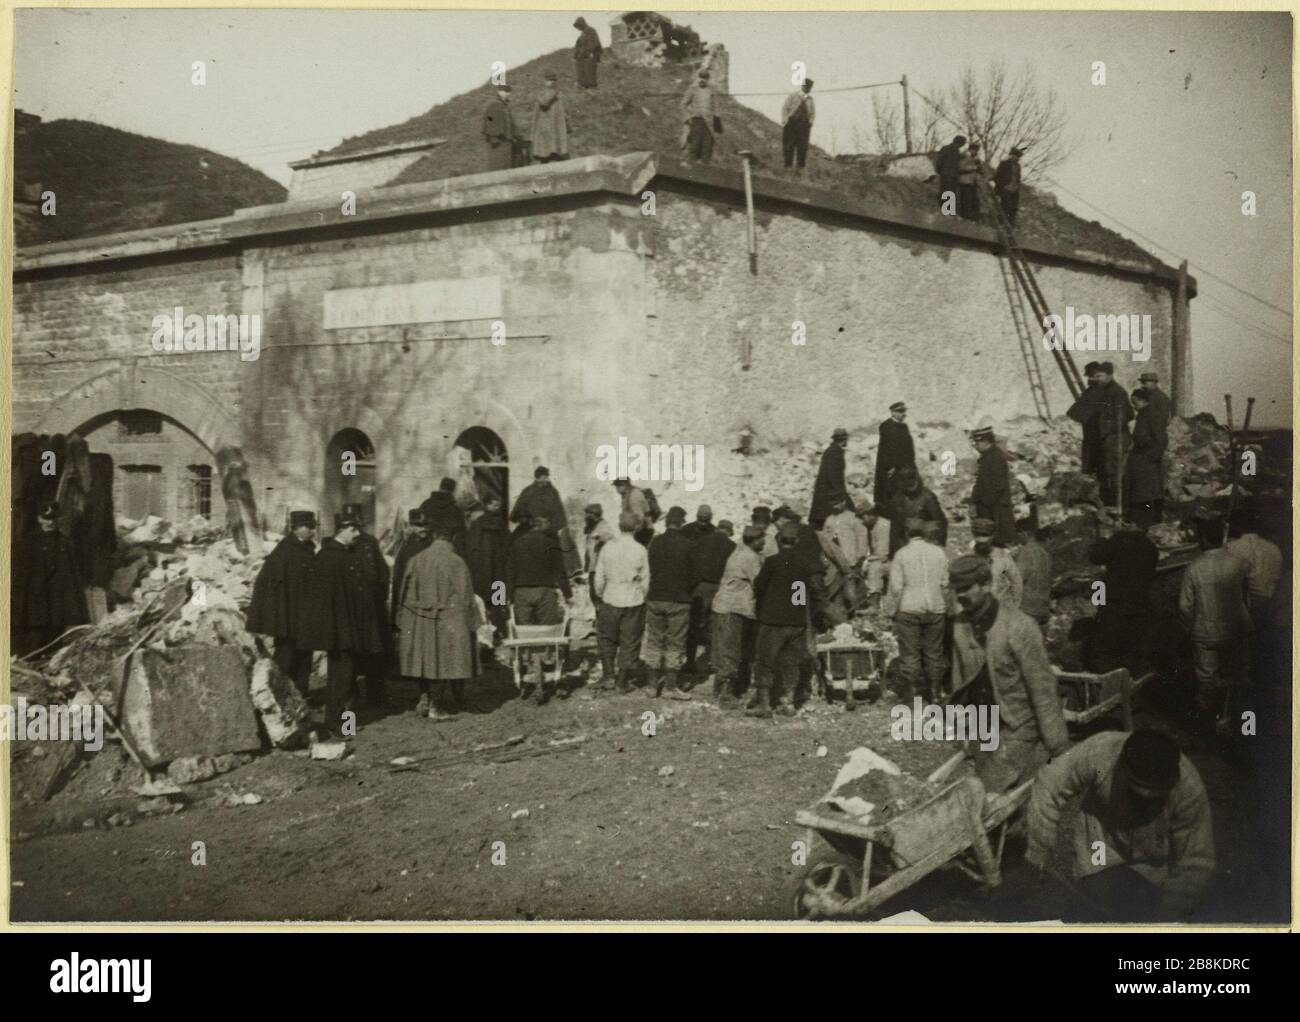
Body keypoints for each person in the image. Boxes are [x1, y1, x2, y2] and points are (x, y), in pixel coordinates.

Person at [1027, 729, 1215, 922]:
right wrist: (1038, 850)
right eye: (1138, 794)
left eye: (1154, 798)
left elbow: (1196, 862)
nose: (1144, 804)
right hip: (1101, 845)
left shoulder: (1189, 790)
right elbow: (1049, 784)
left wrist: (1166, 917)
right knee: (1090, 909)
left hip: (1152, 860)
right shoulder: (1101, 753)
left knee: (1147, 912)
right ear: (1122, 770)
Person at [948, 554, 1070, 791]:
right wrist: (960, 723)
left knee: (993, 786)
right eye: (956, 589)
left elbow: (1042, 688)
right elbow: (959, 677)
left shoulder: (1019, 626)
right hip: (982, 721)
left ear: (985, 585)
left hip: (1017, 722)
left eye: (966, 588)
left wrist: (1058, 747)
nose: (960, 595)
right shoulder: (960, 625)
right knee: (985, 787)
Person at [299, 510, 388, 740]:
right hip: (340, 631)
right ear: (343, 530)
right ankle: (338, 725)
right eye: (353, 530)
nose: (357, 534)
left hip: (348, 629)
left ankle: (340, 723)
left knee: (345, 678)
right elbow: (325, 601)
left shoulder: (342, 554)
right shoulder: (331, 557)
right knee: (342, 679)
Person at [396, 520, 483, 721]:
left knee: (424, 659)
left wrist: (403, 619)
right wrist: (473, 622)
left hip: (419, 618)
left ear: (434, 536)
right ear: (453, 538)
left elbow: (404, 593)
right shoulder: (456, 561)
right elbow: (466, 595)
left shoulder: (416, 559)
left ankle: (424, 697)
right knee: (444, 660)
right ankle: (436, 705)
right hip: (447, 618)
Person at [1179, 513, 1250, 730]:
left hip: (1205, 631)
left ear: (1204, 540)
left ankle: (1208, 722)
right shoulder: (1238, 564)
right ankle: (1235, 720)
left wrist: (1188, 629)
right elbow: (1247, 595)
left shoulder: (1194, 567)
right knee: (1236, 675)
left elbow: (1185, 606)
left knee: (1207, 679)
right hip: (1235, 629)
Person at [748, 521, 822, 718]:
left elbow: (759, 587)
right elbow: (809, 591)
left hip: (773, 621)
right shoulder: (804, 563)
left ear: (779, 541)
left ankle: (764, 705)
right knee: (791, 662)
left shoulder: (772, 562)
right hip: (796, 621)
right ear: (796, 541)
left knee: (764, 661)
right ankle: (788, 702)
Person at [246, 509, 318, 696]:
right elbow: (267, 583)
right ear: (296, 528)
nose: (312, 530)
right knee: (286, 657)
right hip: (288, 616)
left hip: (303, 614)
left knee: (304, 655)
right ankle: (279, 693)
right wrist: (278, 615)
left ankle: (301, 692)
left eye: (313, 526)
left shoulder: (308, 548)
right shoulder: (285, 550)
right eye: (308, 527)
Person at [506, 510, 572, 702]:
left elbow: (507, 572)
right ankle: (545, 666)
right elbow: (560, 572)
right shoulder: (551, 543)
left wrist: (501, 600)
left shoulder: (517, 543)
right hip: (544, 592)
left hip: (521, 593)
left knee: (525, 634)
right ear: (541, 524)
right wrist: (568, 595)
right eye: (548, 524)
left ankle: (528, 668)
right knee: (546, 633)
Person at [883, 518, 950, 702]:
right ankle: (936, 694)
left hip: (909, 608)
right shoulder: (939, 553)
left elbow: (896, 587)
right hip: (936, 608)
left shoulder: (901, 555)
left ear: (906, 533)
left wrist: (890, 611)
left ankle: (912, 696)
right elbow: (945, 582)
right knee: (934, 653)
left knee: (910, 654)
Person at [14, 501, 89, 657]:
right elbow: (23, 578)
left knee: (55, 636)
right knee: (34, 637)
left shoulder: (64, 542)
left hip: (56, 601)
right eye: (46, 518)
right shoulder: (29, 544)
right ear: (39, 519)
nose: (50, 522)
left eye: (53, 518)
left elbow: (72, 576)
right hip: (36, 601)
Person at [1085, 515, 1158, 673]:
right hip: (1139, 604)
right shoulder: (1151, 547)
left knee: (1105, 650)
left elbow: (1096, 556)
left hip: (1116, 603)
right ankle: (1128, 685)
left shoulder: (1121, 539)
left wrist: (1103, 538)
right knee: (1130, 649)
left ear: (1130, 523)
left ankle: (1107, 686)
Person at [642, 506, 697, 699]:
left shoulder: (655, 542)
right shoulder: (688, 544)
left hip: (656, 597)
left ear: (666, 522)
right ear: (681, 523)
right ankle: (670, 687)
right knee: (675, 642)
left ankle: (651, 686)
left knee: (654, 640)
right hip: (679, 599)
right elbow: (694, 574)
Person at [593, 511, 649, 692]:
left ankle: (608, 676)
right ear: (635, 527)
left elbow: (599, 577)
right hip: (633, 599)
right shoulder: (640, 550)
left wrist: (601, 595)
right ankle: (622, 682)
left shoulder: (608, 548)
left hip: (610, 597)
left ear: (619, 526)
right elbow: (646, 580)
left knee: (606, 637)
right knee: (630, 640)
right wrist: (640, 595)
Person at [342, 502, 391, 707]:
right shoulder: (336, 545)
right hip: (349, 611)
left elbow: (383, 571)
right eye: (349, 523)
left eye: (356, 522)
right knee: (350, 656)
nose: (355, 527)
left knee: (375, 654)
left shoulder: (370, 542)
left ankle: (376, 696)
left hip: (372, 608)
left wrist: (379, 595)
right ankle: (349, 697)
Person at [711, 524, 765, 707]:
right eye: (762, 539)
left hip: (726, 606)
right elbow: (759, 583)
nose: (764, 542)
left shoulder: (739, 551)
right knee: (731, 651)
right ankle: (726, 696)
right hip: (733, 609)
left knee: (726, 649)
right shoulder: (750, 557)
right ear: (755, 540)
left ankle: (719, 690)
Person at [1069, 362, 1133, 508]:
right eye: (1094, 377)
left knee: (1115, 474)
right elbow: (1079, 412)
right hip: (1101, 439)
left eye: (1099, 376)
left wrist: (1108, 425)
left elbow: (1126, 415)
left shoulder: (1117, 392)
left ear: (1109, 375)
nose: (1095, 379)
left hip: (1114, 439)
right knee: (1103, 472)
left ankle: (1119, 506)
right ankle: (1107, 504)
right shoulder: (1097, 391)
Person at [684, 506, 735, 675]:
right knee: (715, 627)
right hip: (720, 588)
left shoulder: (703, 541)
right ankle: (713, 663)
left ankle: (690, 662)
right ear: (729, 532)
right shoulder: (732, 546)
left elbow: (691, 562)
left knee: (694, 624)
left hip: (700, 587)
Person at [511, 466, 578, 575]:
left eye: (547, 477)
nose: (546, 480)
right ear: (537, 477)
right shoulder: (528, 491)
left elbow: (559, 512)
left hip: (549, 530)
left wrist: (552, 526)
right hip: (530, 528)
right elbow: (517, 513)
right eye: (544, 477)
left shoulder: (552, 492)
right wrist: (529, 521)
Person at [1225, 507, 1283, 630]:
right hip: (1275, 611)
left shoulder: (1231, 548)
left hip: (1249, 614)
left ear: (1236, 526)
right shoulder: (1274, 548)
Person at [465, 495, 510, 641]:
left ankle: (484, 637)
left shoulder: (477, 524)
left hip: (482, 572)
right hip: (498, 573)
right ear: (486, 505)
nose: (498, 509)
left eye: (498, 506)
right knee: (498, 602)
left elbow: (472, 549)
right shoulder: (500, 525)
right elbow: (507, 547)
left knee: (484, 603)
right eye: (495, 505)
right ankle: (498, 632)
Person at [967, 423, 1016, 548]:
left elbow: (997, 487)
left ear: (985, 442)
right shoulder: (989, 456)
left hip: (995, 510)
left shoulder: (995, 458)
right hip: (991, 509)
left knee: (997, 544)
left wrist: (983, 505)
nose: (975, 446)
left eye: (976, 443)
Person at [1126, 388, 1167, 528]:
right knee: (1143, 491)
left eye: (1135, 402)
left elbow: (1161, 439)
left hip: (1147, 460)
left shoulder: (1152, 415)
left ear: (1144, 401)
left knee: (1148, 492)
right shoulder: (1143, 414)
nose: (1133, 405)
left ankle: (1150, 520)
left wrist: (1151, 457)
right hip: (1141, 458)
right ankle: (1145, 519)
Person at [887, 465, 947, 555]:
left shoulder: (928, 497)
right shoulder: (897, 499)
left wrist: (936, 544)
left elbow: (940, 522)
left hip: (926, 540)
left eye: (911, 479)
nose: (909, 484)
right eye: (905, 480)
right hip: (906, 542)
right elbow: (895, 527)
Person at [392, 508, 432, 628]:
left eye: (426, 525)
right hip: (412, 600)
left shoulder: (434, 545)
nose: (423, 528)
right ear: (411, 526)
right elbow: (398, 581)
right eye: (419, 525)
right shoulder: (406, 550)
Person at [972, 517, 1023, 610]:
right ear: (974, 535)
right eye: (978, 535)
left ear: (992, 536)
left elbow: (1017, 583)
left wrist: (1013, 608)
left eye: (985, 535)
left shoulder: (1003, 556)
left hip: (999, 610)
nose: (981, 539)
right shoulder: (968, 557)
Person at [874, 401, 916, 506]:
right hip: (891, 468)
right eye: (900, 411)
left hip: (904, 466)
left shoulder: (904, 426)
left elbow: (908, 447)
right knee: (891, 492)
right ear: (893, 413)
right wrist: (890, 467)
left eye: (904, 411)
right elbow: (887, 449)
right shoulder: (887, 426)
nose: (903, 414)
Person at [810, 427, 853, 527]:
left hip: (825, 490)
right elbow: (833, 475)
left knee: (821, 519)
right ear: (844, 439)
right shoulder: (835, 452)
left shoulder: (831, 450)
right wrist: (840, 494)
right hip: (830, 491)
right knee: (848, 512)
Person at [1013, 519, 1052, 626]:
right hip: (1043, 605)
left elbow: (1017, 579)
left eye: (1018, 533)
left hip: (1028, 608)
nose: (1017, 536)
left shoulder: (1025, 552)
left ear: (1025, 533)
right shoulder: (1043, 551)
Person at [529, 70, 569, 163]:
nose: (550, 82)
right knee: (550, 149)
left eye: (551, 80)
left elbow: (545, 103)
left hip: (548, 124)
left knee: (549, 150)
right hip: (548, 124)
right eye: (549, 80)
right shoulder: (552, 92)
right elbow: (544, 103)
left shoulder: (550, 92)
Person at [581, 502, 618, 604]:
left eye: (587, 514)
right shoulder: (593, 527)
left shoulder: (603, 527)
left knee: (599, 596)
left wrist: (601, 540)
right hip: (594, 569)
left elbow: (611, 540)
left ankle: (602, 617)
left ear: (594, 515)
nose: (585, 517)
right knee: (594, 596)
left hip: (601, 569)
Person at [420, 477, 466, 554]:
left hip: (426, 549)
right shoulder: (455, 510)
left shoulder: (426, 504)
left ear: (440, 487)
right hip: (448, 550)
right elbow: (461, 535)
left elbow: (418, 525)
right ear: (453, 491)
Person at [682, 69, 719, 163]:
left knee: (707, 148)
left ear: (708, 79)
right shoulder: (692, 89)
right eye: (701, 78)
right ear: (698, 78)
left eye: (705, 78)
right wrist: (687, 118)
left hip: (709, 124)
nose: (702, 80)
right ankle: (691, 171)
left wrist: (716, 123)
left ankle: (704, 172)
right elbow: (683, 104)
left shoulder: (712, 90)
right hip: (696, 121)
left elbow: (716, 108)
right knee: (694, 145)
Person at [482, 83, 521, 171]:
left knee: (506, 166)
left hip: (506, 141)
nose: (508, 93)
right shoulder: (494, 104)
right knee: (497, 166)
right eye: (506, 91)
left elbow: (510, 122)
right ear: (499, 92)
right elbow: (490, 121)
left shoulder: (504, 105)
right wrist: (494, 138)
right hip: (498, 142)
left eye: (509, 91)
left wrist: (515, 135)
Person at [858, 504, 892, 602]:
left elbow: (882, 554)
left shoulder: (883, 525)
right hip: (885, 559)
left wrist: (867, 560)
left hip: (893, 561)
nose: (862, 522)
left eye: (863, 518)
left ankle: (874, 603)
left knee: (874, 567)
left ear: (871, 515)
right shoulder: (872, 526)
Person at [780, 77, 815, 170]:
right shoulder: (793, 96)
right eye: (806, 87)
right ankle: (788, 165)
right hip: (791, 124)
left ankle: (800, 167)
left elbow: (812, 114)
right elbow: (785, 108)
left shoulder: (810, 99)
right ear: (803, 86)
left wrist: (810, 123)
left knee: (803, 146)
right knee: (788, 144)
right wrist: (785, 121)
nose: (808, 89)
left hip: (804, 126)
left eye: (810, 87)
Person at [613, 477, 654, 546]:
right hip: (639, 530)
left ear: (624, 485)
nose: (616, 489)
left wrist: (634, 533)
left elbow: (639, 518)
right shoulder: (628, 494)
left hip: (642, 531)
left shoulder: (634, 496)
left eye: (618, 486)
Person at [993, 145, 1024, 226]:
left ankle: (1010, 223)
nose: (1017, 158)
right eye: (1016, 156)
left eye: (1018, 157)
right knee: (1005, 206)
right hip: (1005, 189)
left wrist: (1017, 187)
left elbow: (1018, 178)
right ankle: (1002, 223)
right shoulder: (1004, 163)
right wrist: (1001, 187)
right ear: (1011, 155)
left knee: (1013, 207)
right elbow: (998, 176)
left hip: (1014, 190)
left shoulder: (1018, 166)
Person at [934, 134, 967, 211]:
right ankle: (948, 211)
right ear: (961, 143)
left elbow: (939, 162)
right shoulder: (956, 151)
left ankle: (943, 210)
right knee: (951, 193)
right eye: (963, 143)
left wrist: (940, 171)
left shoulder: (945, 148)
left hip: (945, 174)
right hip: (953, 176)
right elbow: (957, 165)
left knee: (944, 191)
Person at [572, 16, 602, 89]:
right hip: (583, 55)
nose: (578, 28)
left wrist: (586, 52)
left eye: (579, 26)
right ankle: (583, 84)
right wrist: (576, 55)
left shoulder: (591, 30)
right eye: (577, 27)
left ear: (582, 24)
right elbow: (578, 45)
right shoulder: (582, 34)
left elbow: (593, 43)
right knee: (579, 65)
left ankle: (592, 85)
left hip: (591, 53)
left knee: (589, 67)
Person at [957, 141, 984, 221]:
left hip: (972, 182)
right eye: (974, 149)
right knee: (966, 199)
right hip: (964, 181)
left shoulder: (976, 158)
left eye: (976, 150)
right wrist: (974, 168)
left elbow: (980, 169)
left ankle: (972, 218)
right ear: (970, 149)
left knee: (974, 200)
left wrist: (980, 169)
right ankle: (964, 216)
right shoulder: (964, 156)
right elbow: (960, 169)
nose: (975, 151)